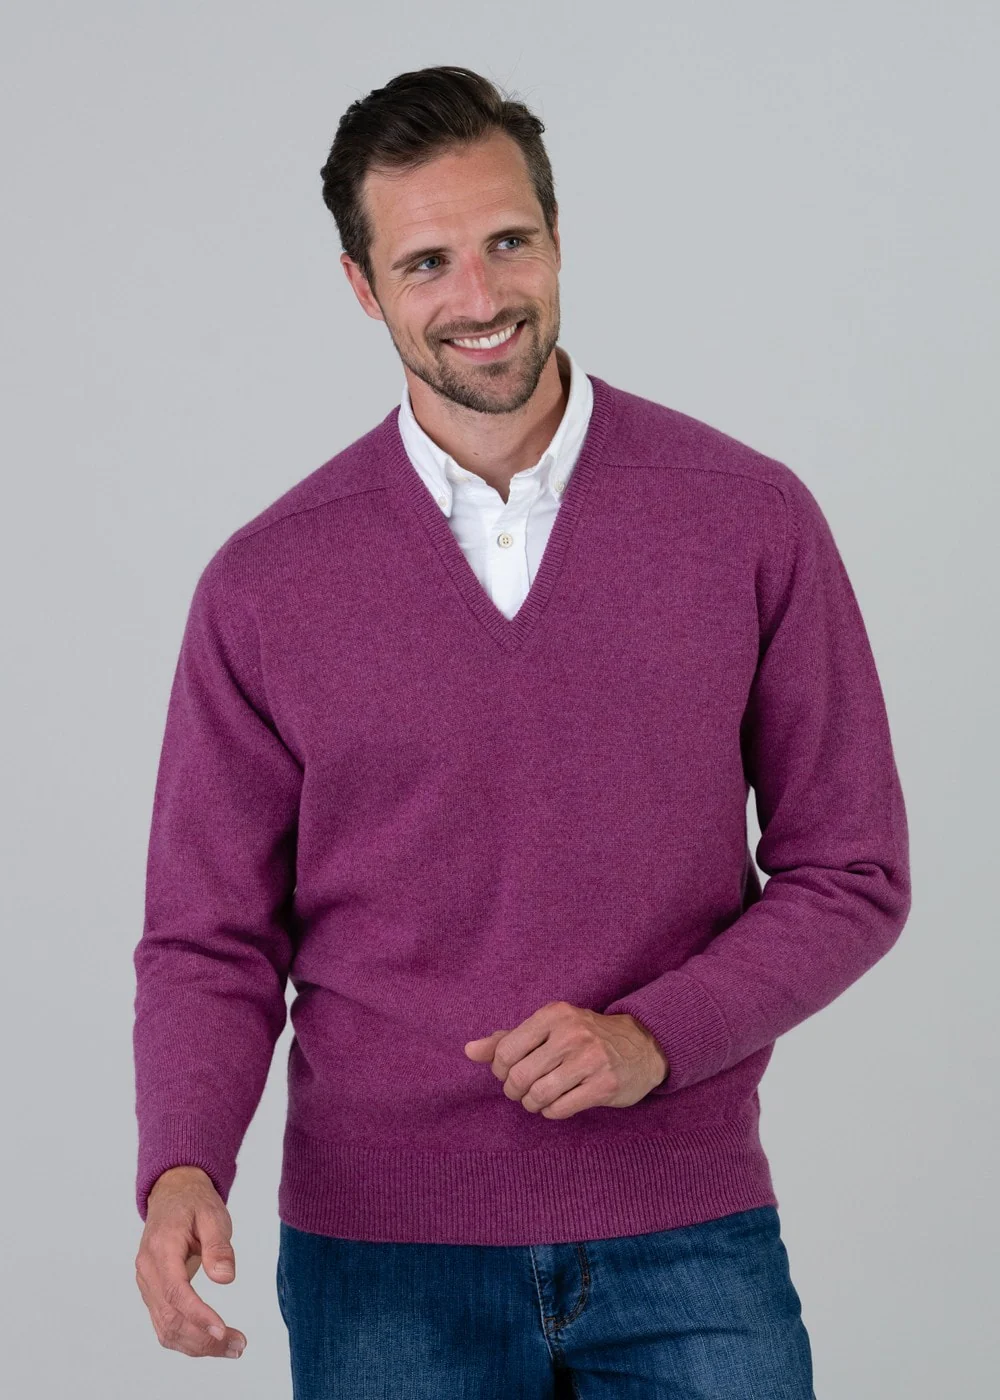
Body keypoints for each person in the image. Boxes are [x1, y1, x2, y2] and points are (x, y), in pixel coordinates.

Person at [131, 64, 911, 1398]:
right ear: (362, 288)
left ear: (558, 237)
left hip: (685, 1233)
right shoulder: (266, 583)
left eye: (509, 242)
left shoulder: (747, 519)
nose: (481, 297)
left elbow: (853, 871)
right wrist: (183, 1162)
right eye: (426, 263)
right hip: (381, 1261)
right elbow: (210, 934)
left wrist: (651, 1038)